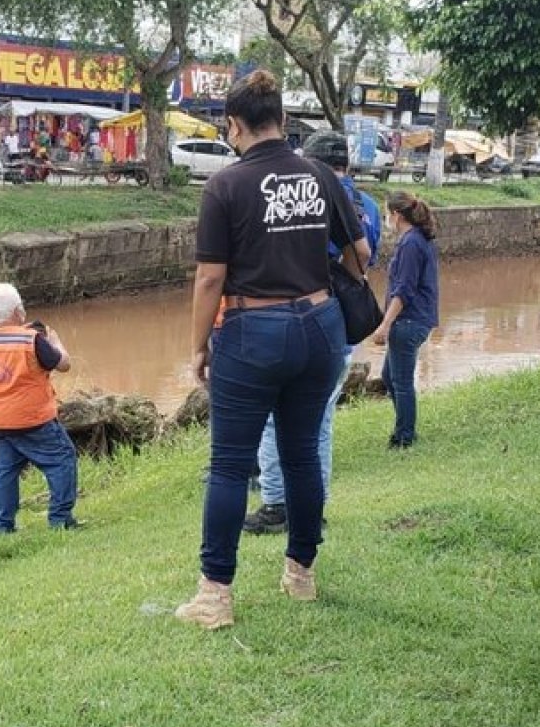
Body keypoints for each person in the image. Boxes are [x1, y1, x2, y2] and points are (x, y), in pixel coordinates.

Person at [176, 70, 370, 630]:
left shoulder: (225, 186)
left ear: (233, 125)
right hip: (320, 329)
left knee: (228, 464)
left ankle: (215, 596)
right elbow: (360, 254)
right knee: (302, 453)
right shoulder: (320, 175)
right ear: (283, 120)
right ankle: (300, 575)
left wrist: (198, 346)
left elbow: (210, 279)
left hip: (251, 332)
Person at [244, 130, 381, 534]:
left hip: (298, 316)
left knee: (274, 418)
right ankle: (312, 507)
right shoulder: (369, 206)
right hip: (340, 325)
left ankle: (276, 504)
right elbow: (364, 256)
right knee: (320, 421)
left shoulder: (303, 194)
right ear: (347, 164)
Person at [0, 283, 81, 533]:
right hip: (33, 418)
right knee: (62, 458)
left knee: (6, 470)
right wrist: (55, 341)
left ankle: (2, 525)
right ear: (18, 310)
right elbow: (63, 364)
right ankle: (60, 519)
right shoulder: (32, 339)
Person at [370, 191, 440, 449]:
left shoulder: (411, 243)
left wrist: (385, 324)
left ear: (396, 215)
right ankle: (404, 427)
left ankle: (404, 437)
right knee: (389, 376)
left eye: (387, 214)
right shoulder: (418, 239)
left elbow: (404, 290)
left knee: (401, 382)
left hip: (409, 321)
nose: (386, 219)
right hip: (416, 318)